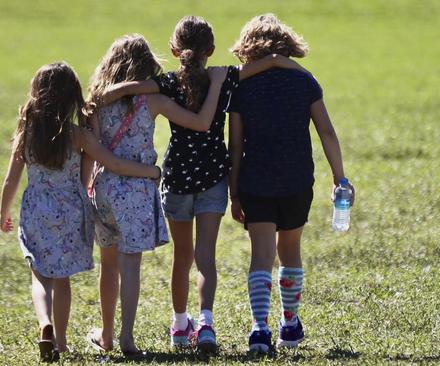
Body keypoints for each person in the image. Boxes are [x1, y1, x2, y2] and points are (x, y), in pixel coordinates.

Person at [97, 16, 309, 353]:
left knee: (182, 257)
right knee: (205, 256)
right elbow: (268, 63)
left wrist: (109, 92)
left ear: (174, 49)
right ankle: (206, 323)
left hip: (178, 177)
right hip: (213, 176)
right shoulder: (222, 77)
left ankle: (181, 325)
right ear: (210, 50)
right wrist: (293, 68)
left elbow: (132, 88)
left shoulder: (166, 83)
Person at [0, 62, 161, 362]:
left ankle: (44, 323)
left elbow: (11, 179)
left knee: (39, 276)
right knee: (62, 279)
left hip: (36, 210)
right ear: (72, 97)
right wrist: (150, 170)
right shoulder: (79, 136)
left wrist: (2, 213)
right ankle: (60, 343)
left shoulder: (27, 132)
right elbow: (113, 164)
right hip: (72, 210)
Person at [84, 34, 228, 357]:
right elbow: (202, 123)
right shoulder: (154, 101)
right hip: (135, 192)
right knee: (130, 265)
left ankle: (106, 335)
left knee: (108, 265)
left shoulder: (96, 101)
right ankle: (127, 340)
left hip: (102, 188)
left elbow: (91, 150)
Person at [228, 14, 355, 353]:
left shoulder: (242, 86)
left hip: (255, 180)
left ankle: (259, 329)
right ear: (288, 47)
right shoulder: (305, 81)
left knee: (261, 255)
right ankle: (289, 324)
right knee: (290, 252)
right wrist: (340, 177)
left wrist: (234, 191)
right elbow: (326, 131)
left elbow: (236, 144)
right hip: (297, 179)